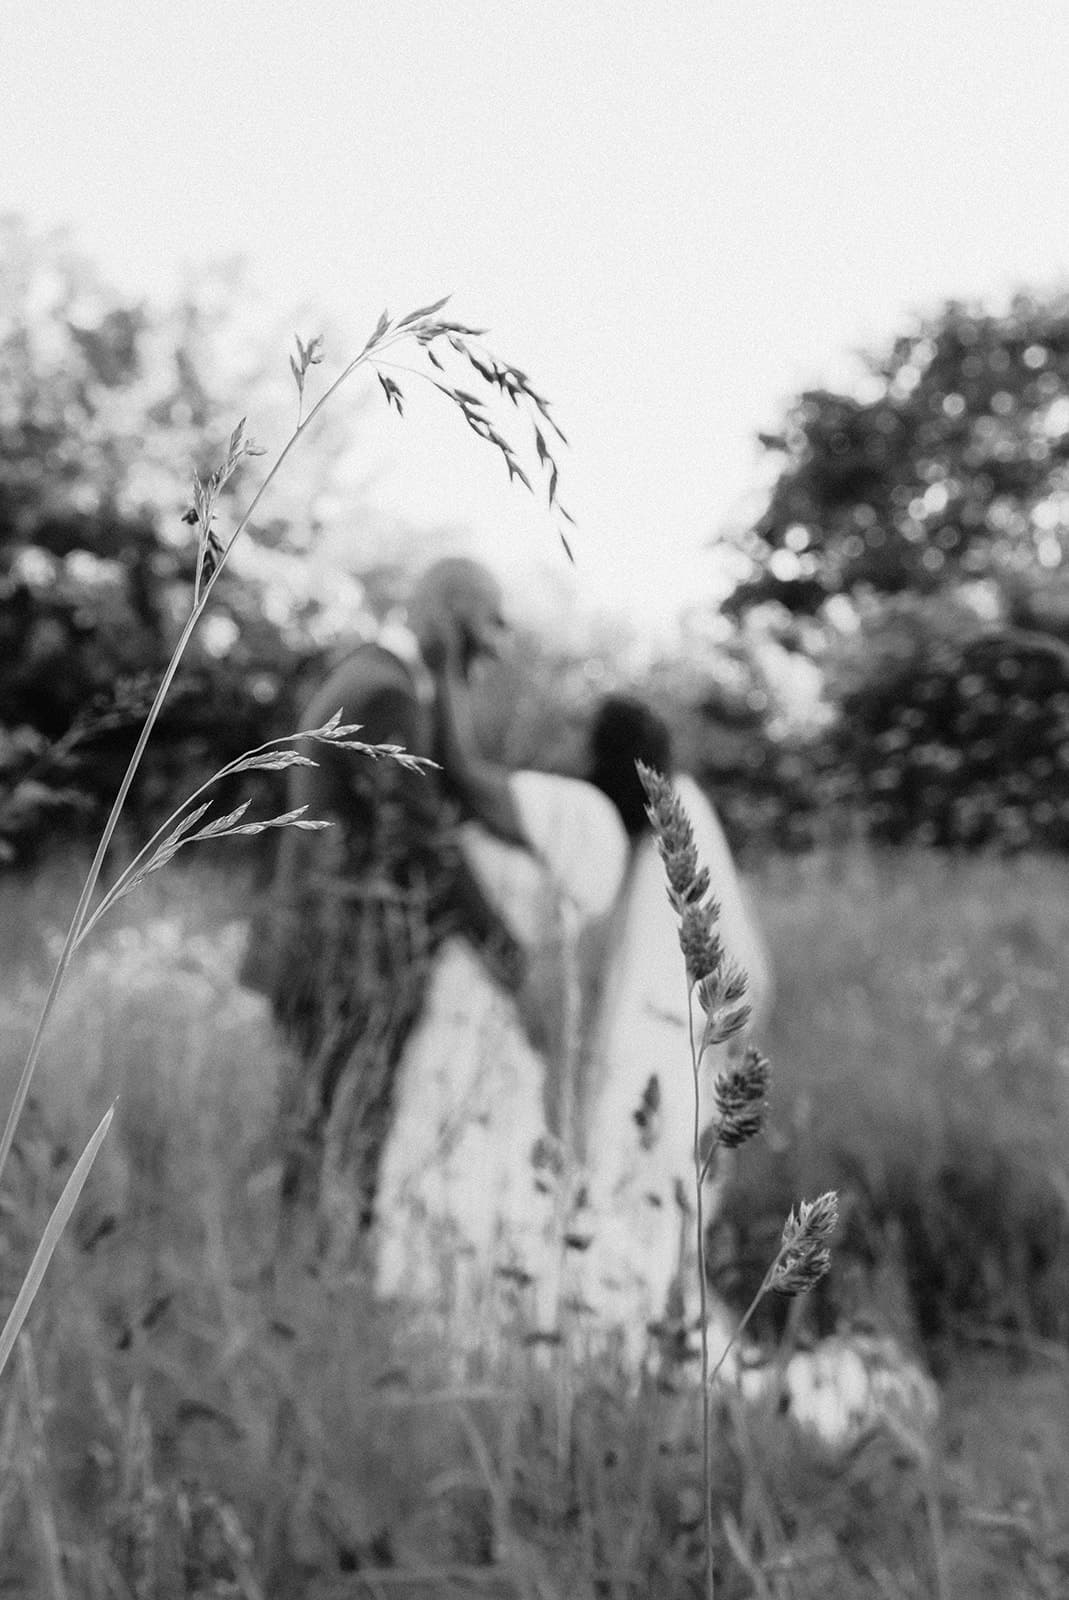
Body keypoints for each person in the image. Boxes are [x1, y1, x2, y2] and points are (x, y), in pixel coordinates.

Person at [246, 556, 525, 1261]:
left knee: (314, 1132)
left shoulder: (371, 676)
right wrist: (507, 954)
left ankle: (306, 1280)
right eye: (491, 620)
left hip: (315, 949)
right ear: (454, 613)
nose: (499, 641)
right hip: (345, 959)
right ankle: (328, 1285)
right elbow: (422, 841)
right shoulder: (386, 697)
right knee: (344, 1133)